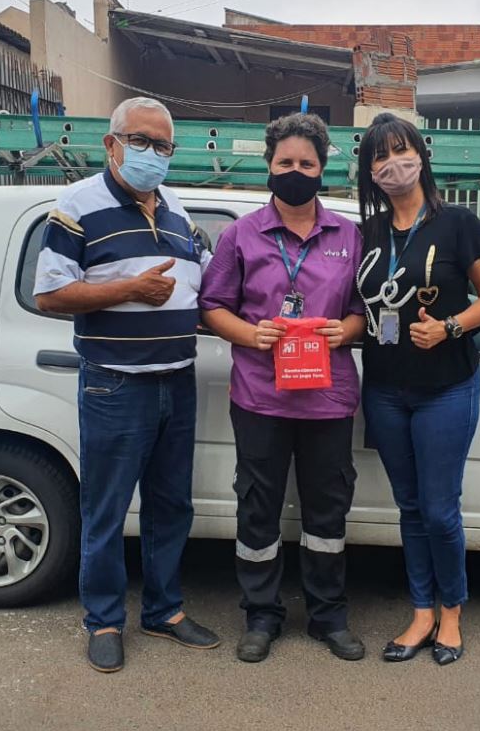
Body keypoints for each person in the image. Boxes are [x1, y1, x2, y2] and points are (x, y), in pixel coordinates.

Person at [34, 96, 219, 674]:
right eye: (141, 141)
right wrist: (128, 290)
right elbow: (49, 294)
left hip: (175, 381)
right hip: (114, 385)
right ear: (111, 144)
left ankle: (163, 610)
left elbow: (208, 293)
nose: (153, 154)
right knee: (107, 510)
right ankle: (105, 620)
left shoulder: (178, 211)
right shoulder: (76, 206)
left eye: (163, 145)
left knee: (171, 506)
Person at [200, 113, 368, 663]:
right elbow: (211, 306)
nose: (295, 171)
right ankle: (262, 615)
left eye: (307, 163)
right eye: (285, 162)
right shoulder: (240, 235)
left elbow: (366, 311)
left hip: (328, 398)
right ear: (269, 166)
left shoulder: (349, 236)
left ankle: (328, 615)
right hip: (260, 396)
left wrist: (345, 330)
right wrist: (252, 334)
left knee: (327, 511)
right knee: (258, 508)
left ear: (323, 170)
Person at [354, 113, 480, 666]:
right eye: (380, 156)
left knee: (441, 509)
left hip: (447, 386)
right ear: (370, 172)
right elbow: (357, 308)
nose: (393, 163)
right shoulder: (367, 233)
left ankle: (452, 611)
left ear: (420, 153)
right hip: (386, 391)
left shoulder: (458, 222)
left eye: (401, 150)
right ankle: (420, 612)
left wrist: (449, 327)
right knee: (410, 506)